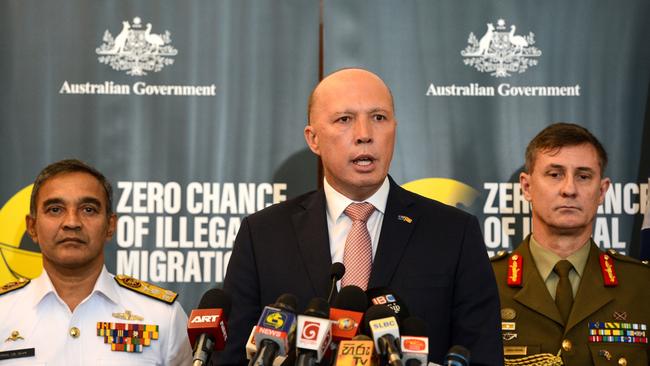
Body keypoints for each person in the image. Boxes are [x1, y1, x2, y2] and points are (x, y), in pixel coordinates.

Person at [218, 68, 503, 365]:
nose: (365, 135)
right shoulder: (263, 234)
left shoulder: (453, 233)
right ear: (313, 139)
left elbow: (483, 355)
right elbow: (231, 357)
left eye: (378, 118)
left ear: (394, 127)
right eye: (345, 119)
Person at [0, 159, 192, 365]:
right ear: (32, 227)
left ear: (110, 226)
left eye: (88, 209)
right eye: (55, 209)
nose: (72, 222)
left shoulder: (163, 317)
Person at [491, 123, 650, 365]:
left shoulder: (641, 286)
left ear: (602, 191)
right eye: (555, 174)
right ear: (526, 186)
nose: (569, 189)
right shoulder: (485, 281)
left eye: (583, 176)